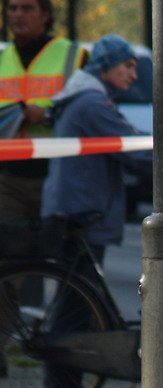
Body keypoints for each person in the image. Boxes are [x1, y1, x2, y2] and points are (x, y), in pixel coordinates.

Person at [40, 34, 152, 388]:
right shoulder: (91, 103)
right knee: (76, 307)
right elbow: (129, 145)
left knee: (78, 305)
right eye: (127, 65)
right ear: (105, 67)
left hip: (77, 210)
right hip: (81, 214)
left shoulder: (88, 98)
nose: (134, 72)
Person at [0, 0, 86, 228]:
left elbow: (86, 110)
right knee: (10, 251)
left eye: (27, 8)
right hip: (9, 176)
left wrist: (47, 114)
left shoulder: (73, 55)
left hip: (58, 172)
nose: (18, 15)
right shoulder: (2, 57)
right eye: (13, 8)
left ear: (45, 15)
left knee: (55, 252)